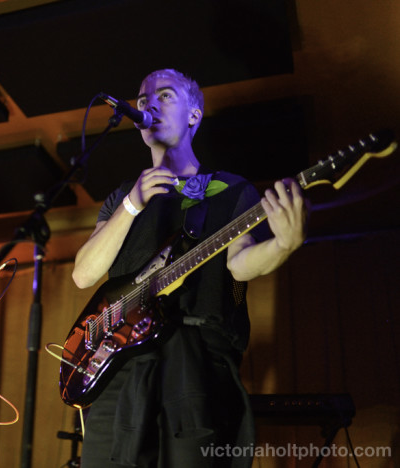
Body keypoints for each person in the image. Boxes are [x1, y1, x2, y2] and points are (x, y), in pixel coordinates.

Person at [71, 69, 308, 467]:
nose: (149, 104)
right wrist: (131, 205)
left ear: (194, 115)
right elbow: (83, 274)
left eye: (165, 96)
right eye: (144, 99)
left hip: (194, 361)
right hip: (121, 366)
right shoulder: (121, 197)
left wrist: (283, 244)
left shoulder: (231, 190)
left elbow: (240, 263)